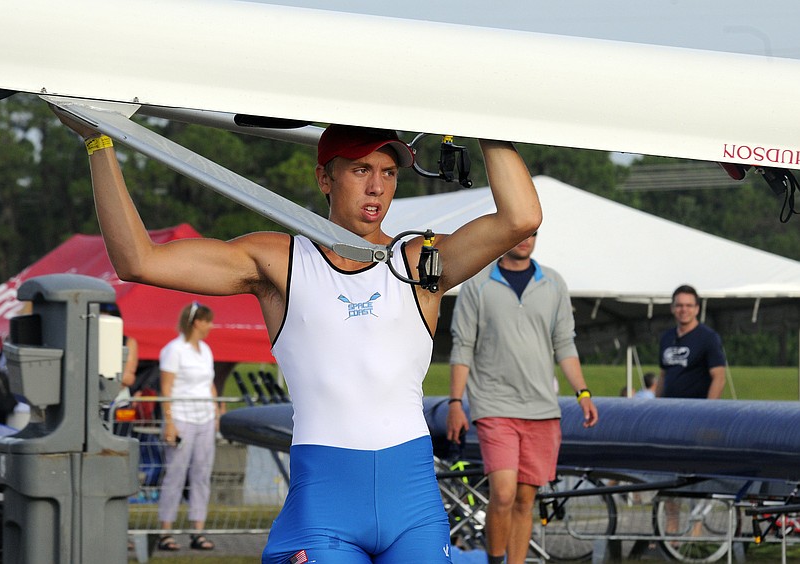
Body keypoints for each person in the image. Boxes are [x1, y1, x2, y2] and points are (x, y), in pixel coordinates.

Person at [55, 108, 541, 563]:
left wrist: (483, 117)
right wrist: (99, 140)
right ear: (324, 177)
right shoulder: (278, 262)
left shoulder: (420, 262)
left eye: (388, 173)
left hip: (412, 502)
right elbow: (139, 261)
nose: (376, 188)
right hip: (325, 504)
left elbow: (521, 218)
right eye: (359, 171)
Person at [447, 231, 599, 564]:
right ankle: (496, 560)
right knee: (503, 492)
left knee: (524, 501)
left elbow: (565, 343)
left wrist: (583, 392)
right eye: (521, 232)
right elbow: (462, 347)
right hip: (494, 405)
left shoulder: (554, 283)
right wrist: (455, 402)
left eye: (533, 233)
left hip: (542, 408)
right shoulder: (477, 284)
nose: (526, 239)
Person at [156, 302, 219, 552]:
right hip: (182, 416)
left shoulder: (205, 350)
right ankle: (165, 531)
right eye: (208, 321)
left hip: (204, 418)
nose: (211, 326)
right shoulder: (174, 350)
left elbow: (209, 383)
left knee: (201, 475)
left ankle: (197, 530)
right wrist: (169, 422)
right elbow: (166, 388)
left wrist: (216, 411)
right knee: (175, 474)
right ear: (197, 322)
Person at [656, 285, 726, 399]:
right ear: (672, 308)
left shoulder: (708, 337)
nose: (684, 310)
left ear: (697, 309)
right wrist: (656, 405)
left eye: (689, 305)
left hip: (694, 409)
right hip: (668, 408)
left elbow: (719, 377)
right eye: (679, 305)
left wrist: (708, 410)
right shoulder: (667, 337)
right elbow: (663, 375)